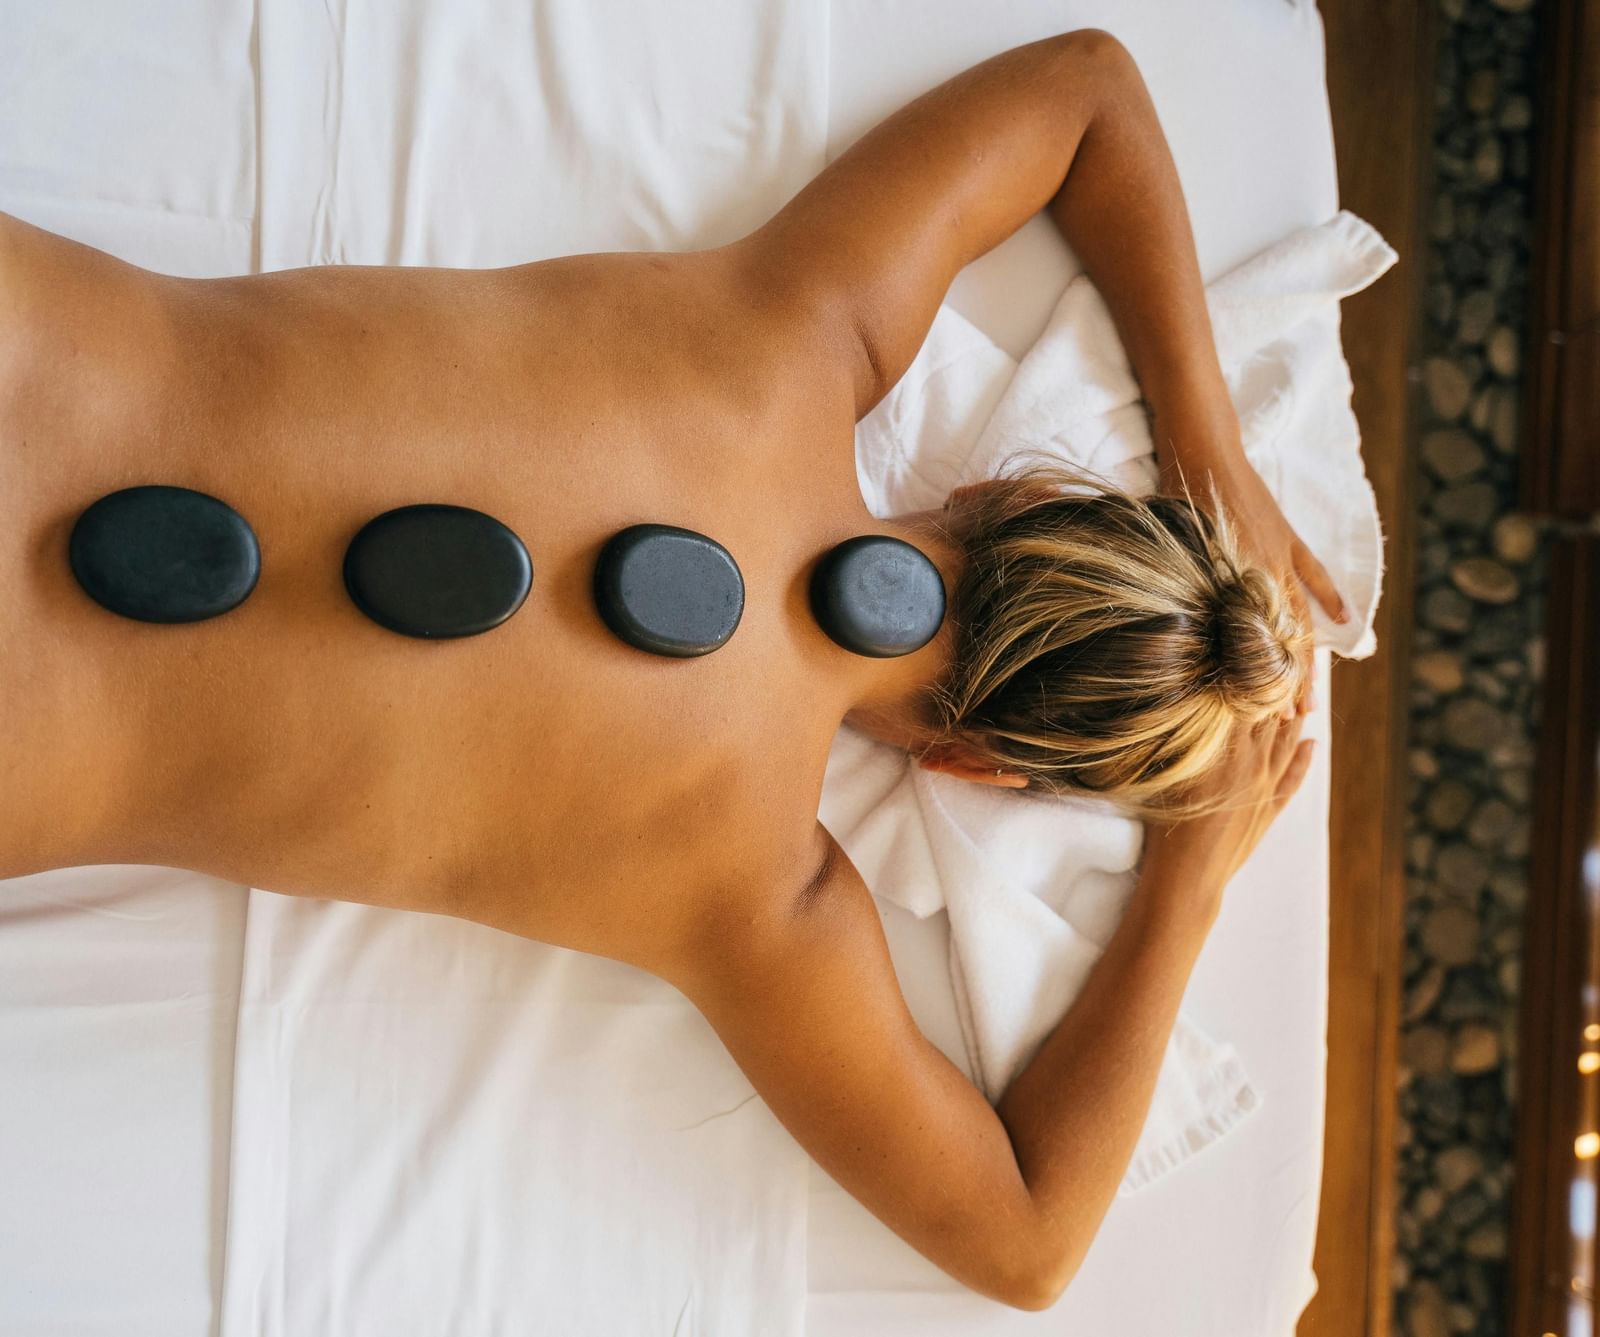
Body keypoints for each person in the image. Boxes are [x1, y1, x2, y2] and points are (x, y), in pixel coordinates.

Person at [0, 29, 1345, 1310]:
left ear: (994, 491)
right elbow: (1029, 1240)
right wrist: (1186, 881)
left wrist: (1207, 445)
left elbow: (1090, 94)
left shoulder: (796, 327)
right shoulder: (755, 898)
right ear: (973, 759)